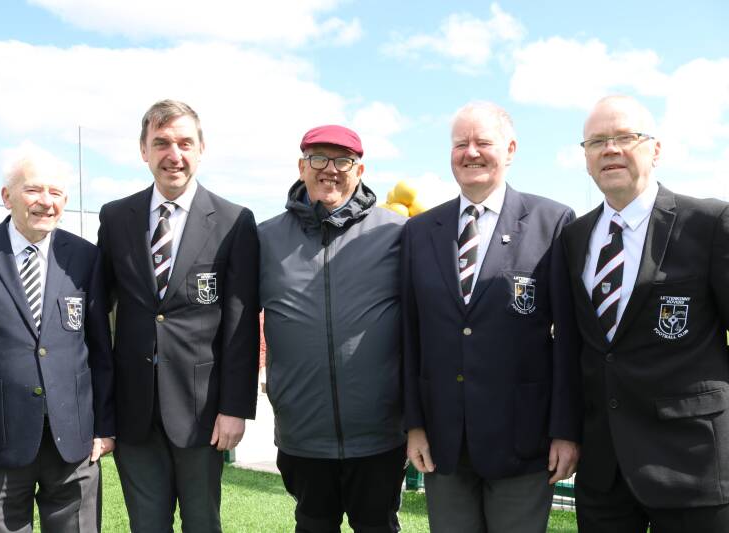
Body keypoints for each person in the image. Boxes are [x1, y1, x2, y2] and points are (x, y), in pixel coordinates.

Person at [402, 101, 582, 533]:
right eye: (460, 143)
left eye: (483, 142)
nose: (471, 152)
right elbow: (410, 337)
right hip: (443, 442)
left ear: (511, 149)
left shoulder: (552, 222)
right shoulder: (420, 231)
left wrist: (564, 430)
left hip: (523, 438)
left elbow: (569, 339)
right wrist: (414, 426)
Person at [560, 95, 729, 532]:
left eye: (625, 137)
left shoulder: (709, 223)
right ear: (585, 158)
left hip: (692, 462)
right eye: (597, 141)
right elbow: (575, 348)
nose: (610, 149)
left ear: (656, 149)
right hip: (603, 469)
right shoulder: (575, 237)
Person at [0, 144, 115, 532]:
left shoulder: (85, 257)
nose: (46, 202)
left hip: (74, 446)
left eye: (56, 192)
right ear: (7, 196)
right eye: (33, 190)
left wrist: (104, 426)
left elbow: (99, 351)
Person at [98, 99, 260, 533]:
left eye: (185, 143)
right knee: (146, 525)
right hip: (135, 411)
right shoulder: (115, 218)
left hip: (202, 412)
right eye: (162, 143)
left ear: (201, 149)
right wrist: (102, 408)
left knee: (202, 523)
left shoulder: (234, 221)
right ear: (144, 150)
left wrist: (235, 408)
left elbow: (241, 326)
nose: (175, 154)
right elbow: (99, 312)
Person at [259, 125, 407, 533]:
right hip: (303, 433)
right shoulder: (265, 238)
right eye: (319, 159)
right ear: (301, 166)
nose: (331, 170)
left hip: (378, 434)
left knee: (378, 526)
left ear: (360, 170)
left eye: (342, 160)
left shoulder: (394, 233)